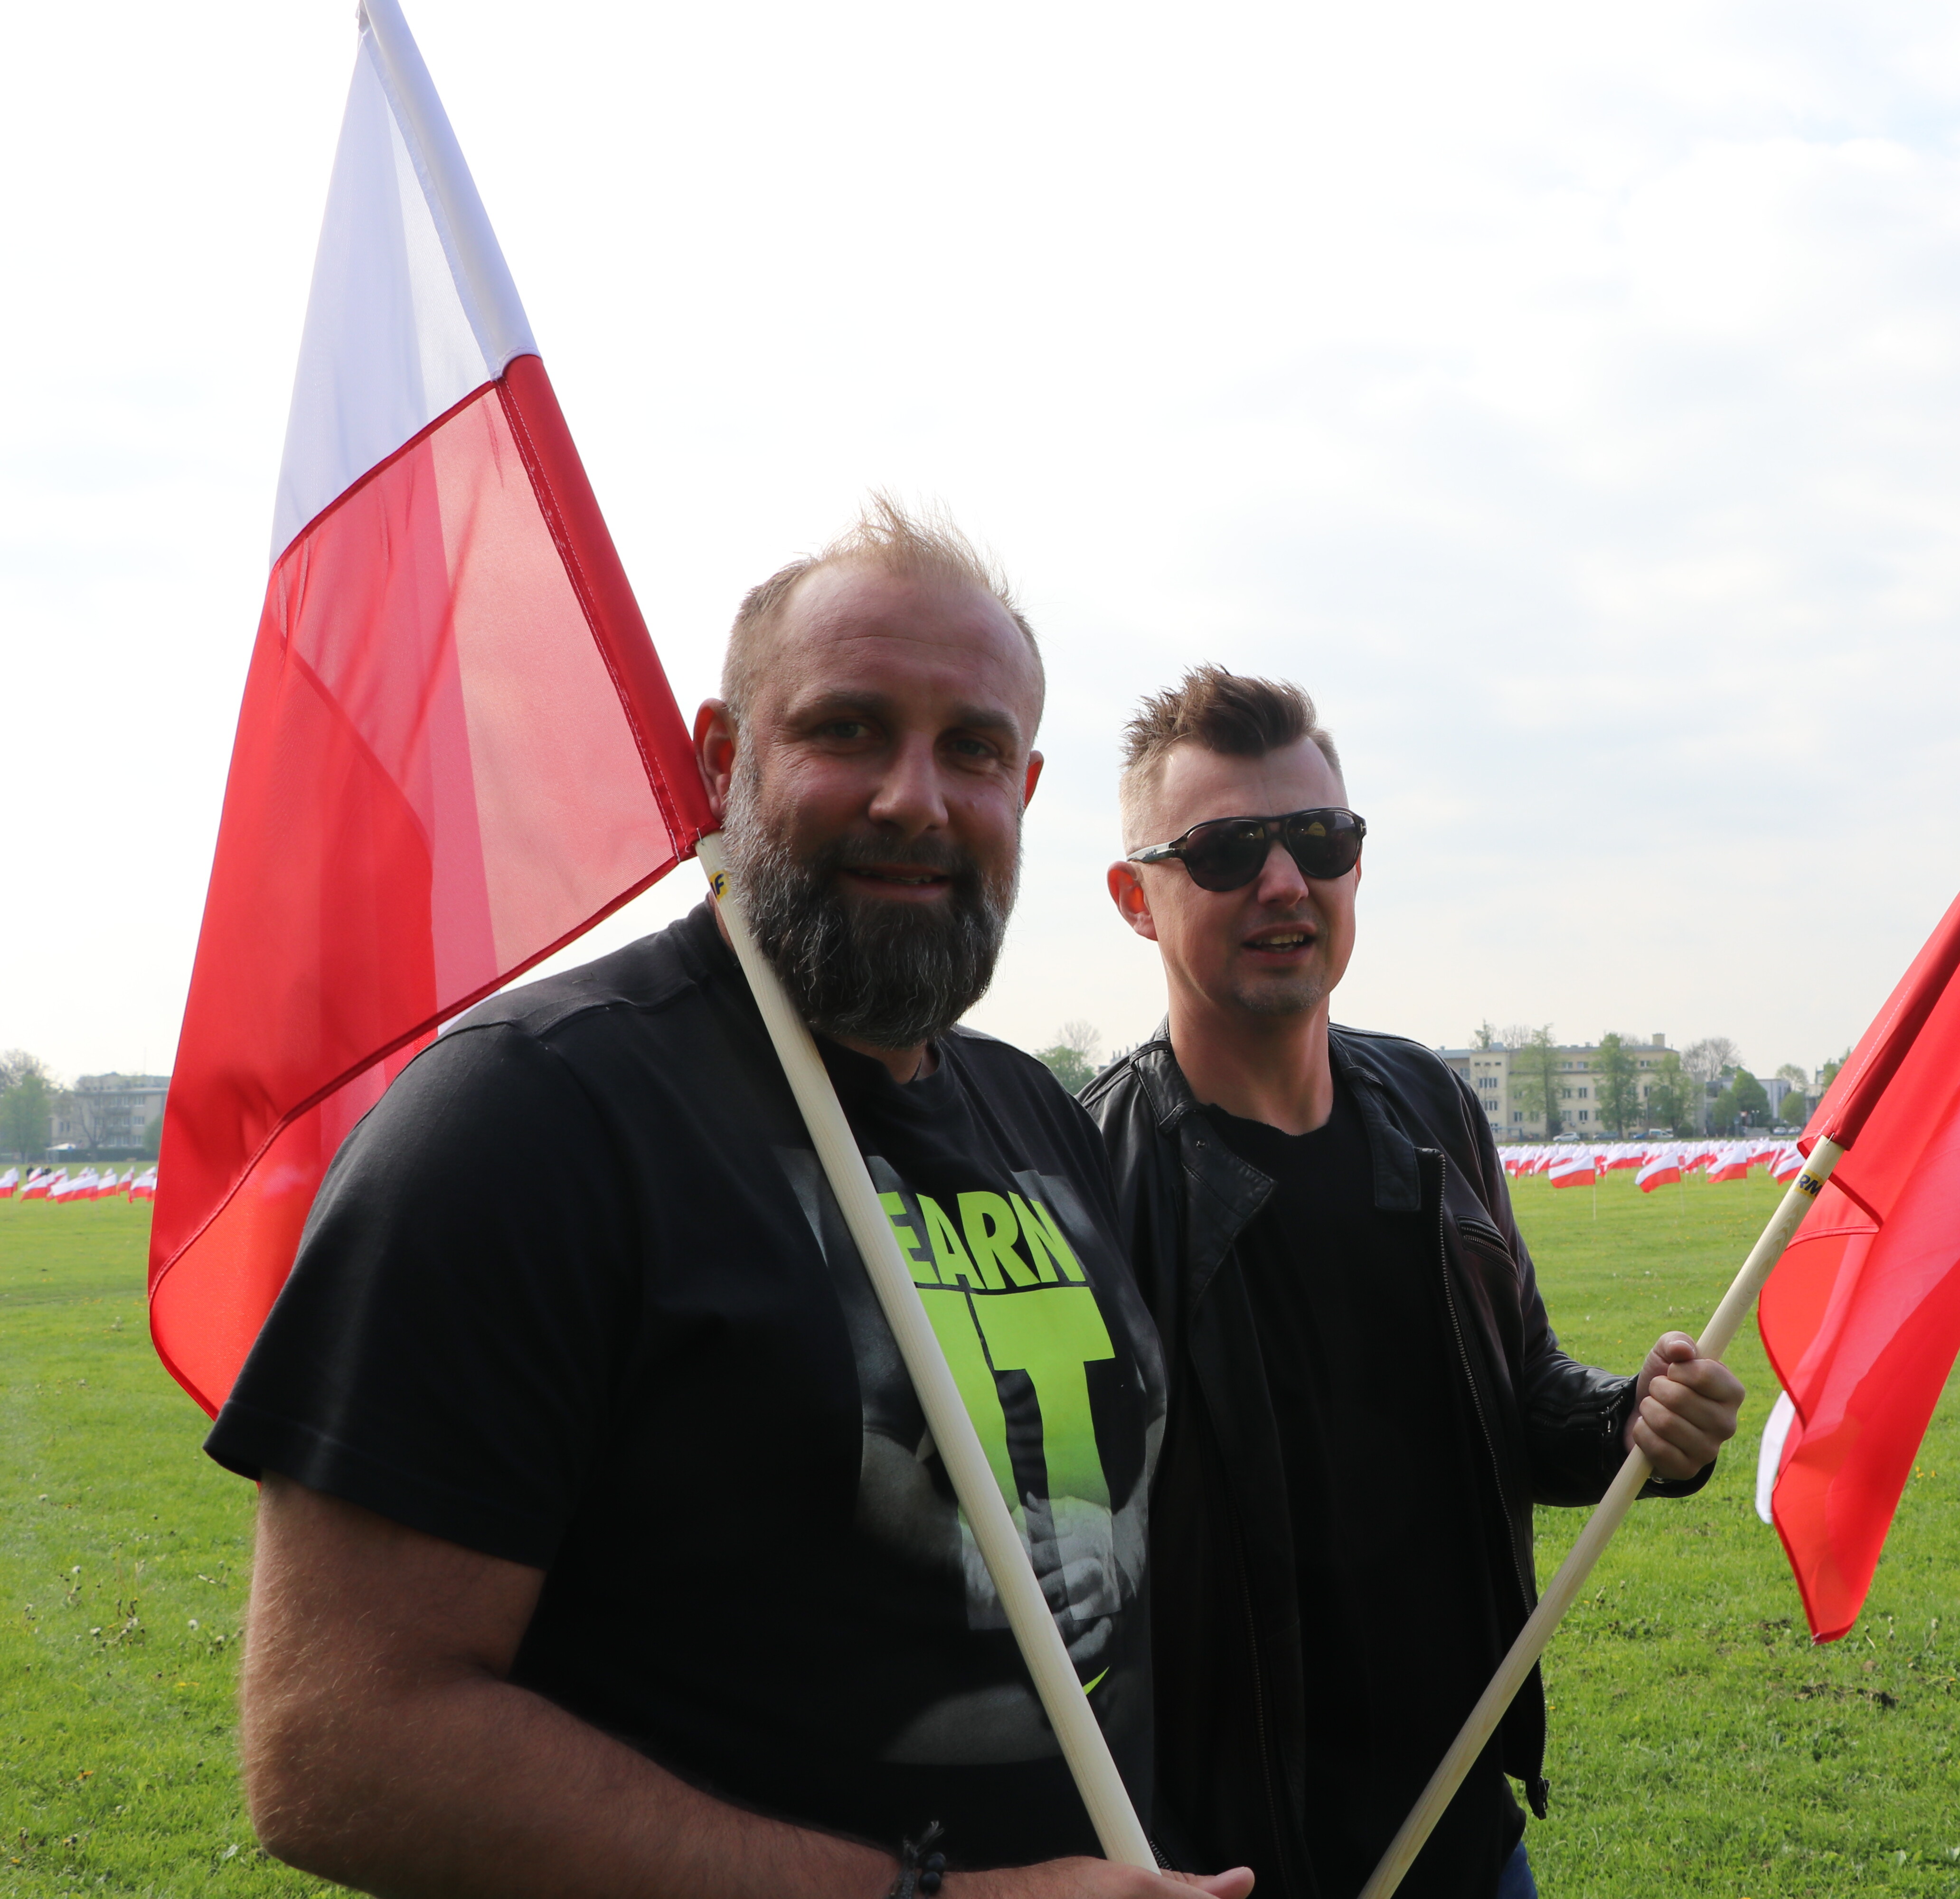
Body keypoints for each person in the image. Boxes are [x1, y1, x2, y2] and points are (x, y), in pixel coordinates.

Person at [206, 501, 1250, 1899]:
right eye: (847, 729)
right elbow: (342, 1747)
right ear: (721, 759)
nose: (917, 799)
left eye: (975, 750)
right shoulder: (528, 1115)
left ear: (1027, 789)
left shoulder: (1034, 1114)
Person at [1084, 669, 1744, 1899]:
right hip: (1229, 1872)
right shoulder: (1093, 1178)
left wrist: (1632, 1422)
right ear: (1137, 899)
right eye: (1227, 852)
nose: (1285, 883)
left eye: (1319, 840)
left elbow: (1522, 1390)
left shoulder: (1431, 1105)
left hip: (1471, 1845)